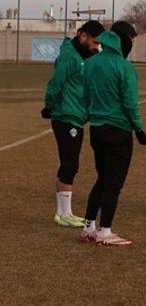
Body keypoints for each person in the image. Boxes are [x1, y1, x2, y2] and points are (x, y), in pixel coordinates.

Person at [80, 21, 146, 246]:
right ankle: (105, 231)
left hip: (97, 128)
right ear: (124, 40)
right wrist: (138, 128)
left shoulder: (91, 62)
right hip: (118, 129)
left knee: (102, 177)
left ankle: (89, 226)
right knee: (113, 183)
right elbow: (130, 102)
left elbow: (84, 95)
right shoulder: (124, 66)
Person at [42, 20, 105, 228]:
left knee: (71, 164)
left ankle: (65, 212)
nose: (96, 47)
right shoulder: (69, 56)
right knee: (70, 164)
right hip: (65, 116)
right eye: (95, 42)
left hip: (76, 116)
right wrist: (49, 106)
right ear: (83, 36)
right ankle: (63, 213)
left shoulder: (84, 56)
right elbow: (55, 83)